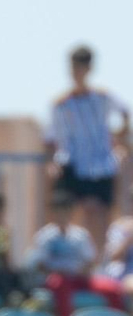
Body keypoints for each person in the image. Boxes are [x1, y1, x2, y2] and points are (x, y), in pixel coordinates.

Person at [44, 45, 130, 251]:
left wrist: (118, 137)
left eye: (81, 67)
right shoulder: (60, 104)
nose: (77, 72)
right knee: (68, 213)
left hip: (101, 165)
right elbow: (49, 138)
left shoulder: (102, 97)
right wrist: (51, 163)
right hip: (73, 165)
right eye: (74, 67)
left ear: (89, 69)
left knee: (101, 215)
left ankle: (100, 263)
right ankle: (73, 261)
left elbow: (125, 113)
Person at [26, 189, 128, 316]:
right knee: (60, 285)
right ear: (52, 212)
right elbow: (40, 265)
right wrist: (61, 272)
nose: (62, 215)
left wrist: (79, 272)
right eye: (58, 210)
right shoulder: (45, 236)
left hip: (79, 279)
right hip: (56, 281)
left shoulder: (80, 235)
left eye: (65, 210)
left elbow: (90, 262)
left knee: (113, 289)